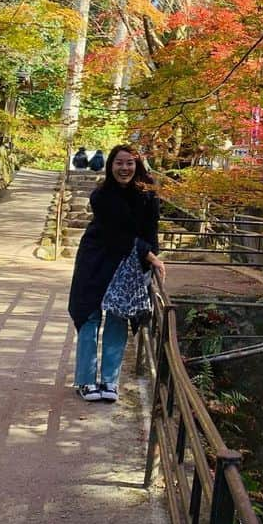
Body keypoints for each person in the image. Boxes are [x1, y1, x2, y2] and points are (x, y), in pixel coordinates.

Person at [67, 144, 166, 402]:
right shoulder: (101, 196)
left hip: (127, 264)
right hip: (96, 259)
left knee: (118, 318)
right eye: (119, 163)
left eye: (129, 163)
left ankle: (109, 381)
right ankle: (86, 381)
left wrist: (150, 262)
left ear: (138, 165)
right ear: (110, 166)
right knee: (89, 318)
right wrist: (150, 256)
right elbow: (117, 234)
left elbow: (150, 231)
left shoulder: (149, 195)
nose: (124, 168)